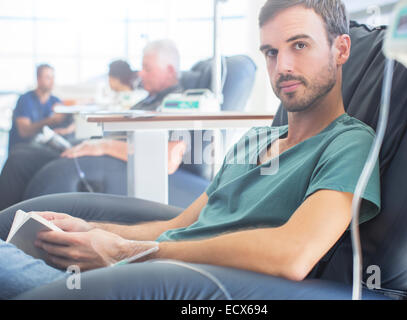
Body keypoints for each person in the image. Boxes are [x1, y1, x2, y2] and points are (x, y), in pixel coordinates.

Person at [0, 0, 381, 299]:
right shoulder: (254, 140)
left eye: (299, 45)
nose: (282, 66)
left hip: (168, 284)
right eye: (270, 51)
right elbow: (177, 227)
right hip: (132, 270)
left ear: (341, 49)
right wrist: (93, 231)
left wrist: (124, 252)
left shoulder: (348, 143)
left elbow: (293, 256)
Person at [0, 41, 187, 211]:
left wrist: (103, 146)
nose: (140, 73)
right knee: (20, 153)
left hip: (109, 162)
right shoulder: (149, 100)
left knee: (19, 162)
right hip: (98, 152)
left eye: (147, 69)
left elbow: (168, 157)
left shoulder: (179, 104)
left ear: (169, 71)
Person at [8, 64, 75, 153]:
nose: (52, 81)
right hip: (23, 149)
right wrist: (51, 121)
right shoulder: (25, 100)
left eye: (53, 77)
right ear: (38, 79)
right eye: (48, 77)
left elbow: (72, 123)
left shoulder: (55, 101)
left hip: (43, 147)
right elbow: (24, 131)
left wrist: (65, 131)